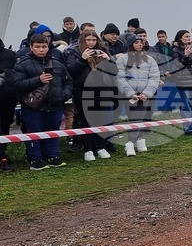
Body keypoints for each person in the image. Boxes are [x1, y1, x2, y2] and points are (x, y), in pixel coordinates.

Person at [10, 34, 74, 170]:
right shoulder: (22, 64)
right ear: (31, 47)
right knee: (34, 132)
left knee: (53, 132)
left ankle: (53, 156)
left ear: (48, 47)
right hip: (33, 106)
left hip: (55, 104)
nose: (41, 49)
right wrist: (38, 80)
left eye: (44, 46)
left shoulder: (58, 63)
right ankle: (35, 158)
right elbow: (17, 84)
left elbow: (68, 81)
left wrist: (64, 95)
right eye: (37, 47)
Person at [65, 31, 118, 161]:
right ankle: (88, 149)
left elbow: (114, 72)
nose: (91, 43)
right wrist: (82, 59)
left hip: (103, 89)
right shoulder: (74, 52)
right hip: (83, 90)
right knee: (86, 120)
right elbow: (71, 71)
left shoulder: (102, 50)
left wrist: (108, 60)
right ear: (83, 40)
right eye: (88, 40)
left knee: (102, 120)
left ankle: (101, 147)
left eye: (93, 40)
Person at [116, 33, 160, 156]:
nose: (140, 44)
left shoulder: (150, 59)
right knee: (134, 118)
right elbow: (120, 78)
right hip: (128, 95)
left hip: (144, 95)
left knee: (139, 117)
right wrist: (130, 93)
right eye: (136, 42)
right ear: (130, 45)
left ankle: (137, 141)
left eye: (141, 42)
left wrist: (147, 93)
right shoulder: (122, 59)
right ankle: (131, 143)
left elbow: (154, 77)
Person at [168, 30, 192, 135]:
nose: (188, 38)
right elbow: (177, 66)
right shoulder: (175, 50)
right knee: (187, 105)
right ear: (180, 38)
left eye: (189, 36)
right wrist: (186, 55)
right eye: (186, 36)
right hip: (184, 80)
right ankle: (188, 128)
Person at [0, 38, 18, 171]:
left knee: (5, 127)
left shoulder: (11, 55)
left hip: (7, 97)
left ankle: (3, 155)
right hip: (8, 95)